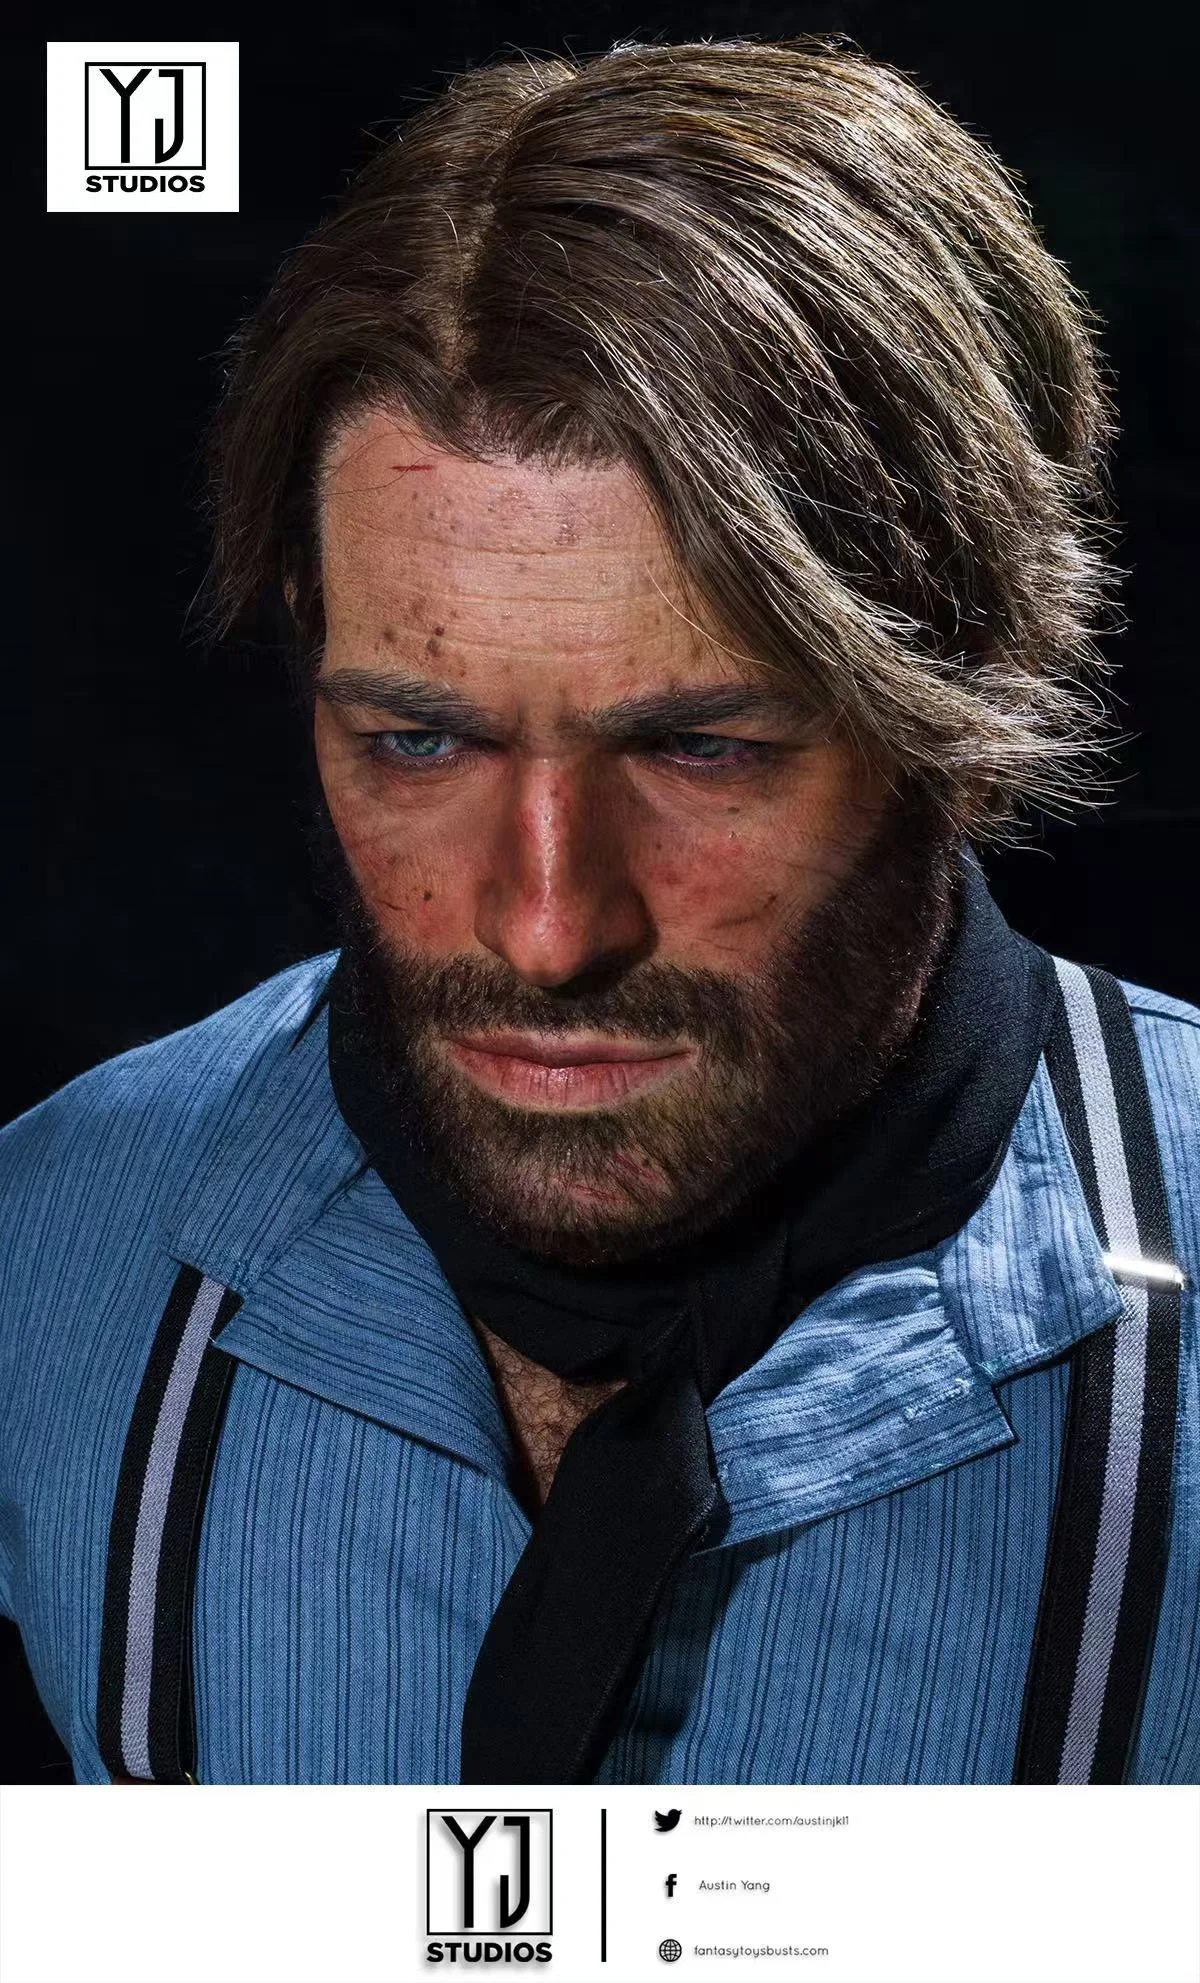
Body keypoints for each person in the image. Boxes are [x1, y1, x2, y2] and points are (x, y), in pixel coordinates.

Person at [1, 34, 1195, 1788]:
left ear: (958, 711)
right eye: (418, 740)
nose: (548, 929)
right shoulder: (48, 1249)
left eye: (703, 749)